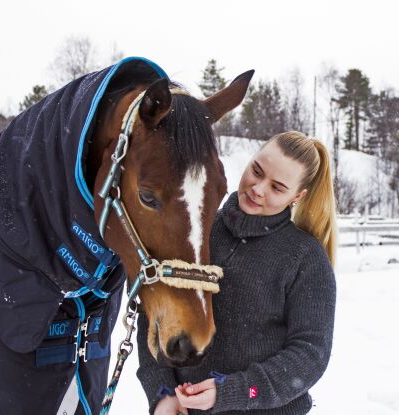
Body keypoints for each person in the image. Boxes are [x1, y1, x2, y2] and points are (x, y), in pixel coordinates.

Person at [136, 131, 337, 414]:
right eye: (257, 171)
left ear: (298, 196)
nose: (258, 189)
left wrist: (236, 391)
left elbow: (310, 354)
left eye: (277, 187)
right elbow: (154, 316)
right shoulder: (195, 233)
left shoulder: (305, 257)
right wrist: (162, 393)